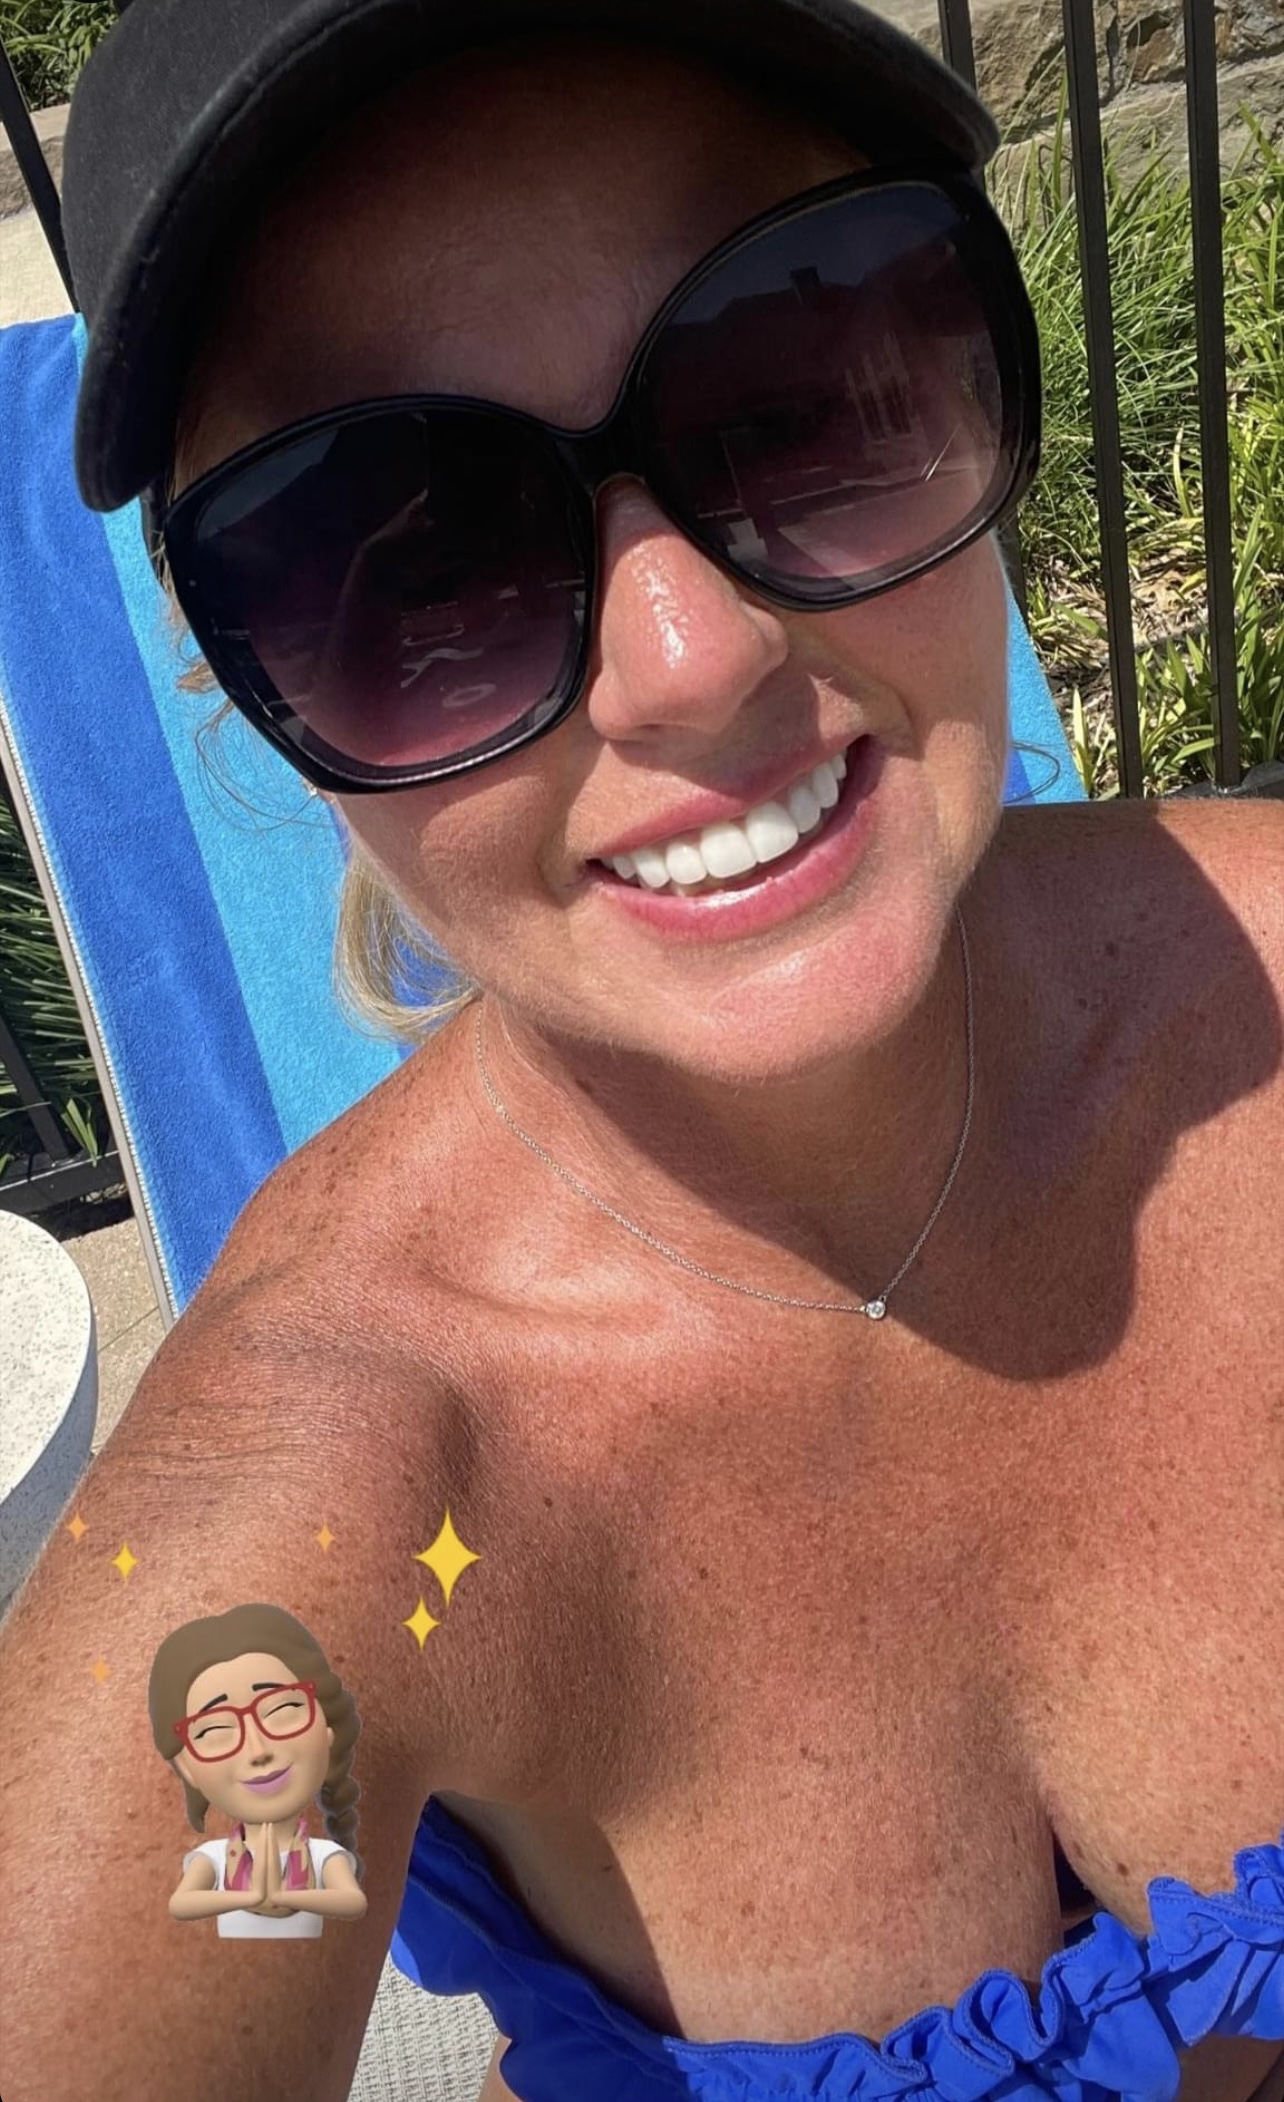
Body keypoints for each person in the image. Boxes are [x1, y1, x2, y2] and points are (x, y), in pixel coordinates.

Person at [0, 3, 1280, 2099]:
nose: (689, 660)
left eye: (788, 393)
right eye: (410, 549)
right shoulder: (320, 1535)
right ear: (252, 691)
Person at [150, 1602, 367, 1936]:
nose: (259, 1750)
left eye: (282, 1710)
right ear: (186, 1767)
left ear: (328, 1729)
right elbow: (181, 1904)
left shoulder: (323, 1855)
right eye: (216, 1730)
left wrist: (284, 1897)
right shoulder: (215, 1858)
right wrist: (248, 1898)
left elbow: (353, 1902)